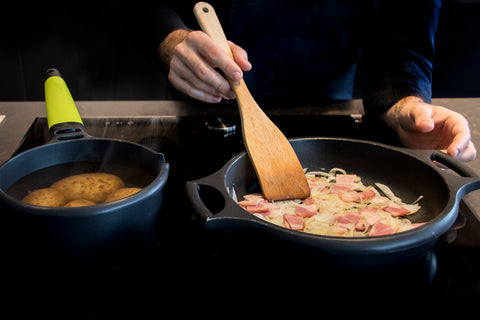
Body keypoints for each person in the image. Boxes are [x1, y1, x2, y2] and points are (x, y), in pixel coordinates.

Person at [151, 0, 476, 162]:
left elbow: (404, 44)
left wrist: (406, 102)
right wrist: (169, 37)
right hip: (206, 90)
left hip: (325, 98)